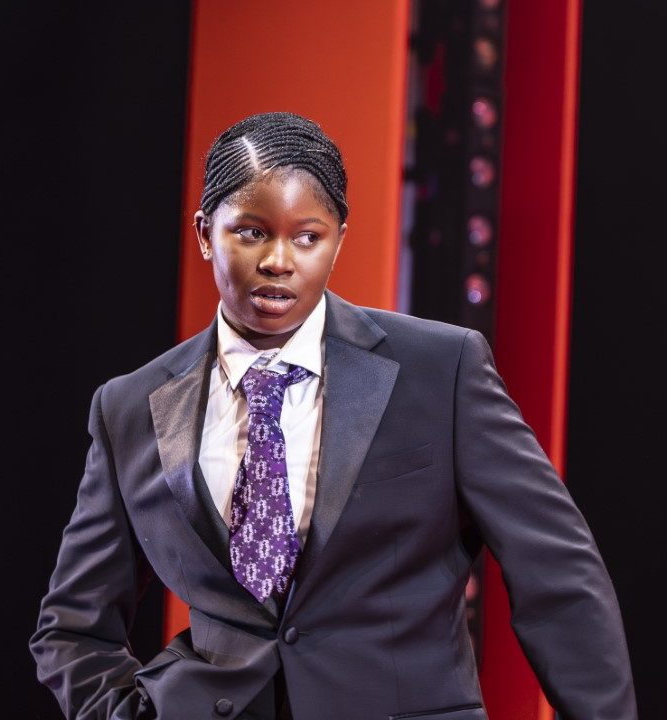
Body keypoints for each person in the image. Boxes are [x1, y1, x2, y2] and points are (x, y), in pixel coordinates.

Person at [31, 112, 636, 720]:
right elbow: (73, 626)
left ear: (339, 239)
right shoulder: (130, 407)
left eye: (307, 237)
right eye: (250, 232)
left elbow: (559, 574)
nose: (278, 261)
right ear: (204, 234)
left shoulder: (440, 369)